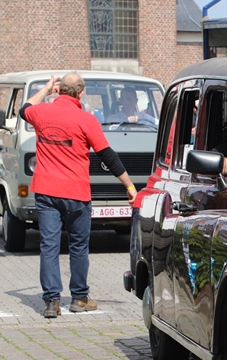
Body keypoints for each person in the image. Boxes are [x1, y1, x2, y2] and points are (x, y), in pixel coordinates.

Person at [20, 73, 138, 318]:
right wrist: (129, 186)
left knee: (49, 246)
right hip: (75, 193)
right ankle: (79, 297)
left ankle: (51, 301)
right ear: (81, 93)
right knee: (78, 246)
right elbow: (107, 155)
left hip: (46, 191)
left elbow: (24, 109)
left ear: (59, 90)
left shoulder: (41, 112)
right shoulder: (86, 120)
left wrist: (45, 90)